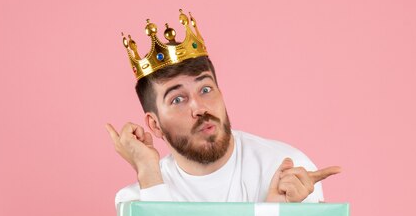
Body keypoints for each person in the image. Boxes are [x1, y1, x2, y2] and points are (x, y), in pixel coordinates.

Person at [106, 11, 341, 205]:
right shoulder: (140, 198)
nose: (199, 107)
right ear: (155, 125)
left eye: (206, 89)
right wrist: (148, 172)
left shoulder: (287, 170)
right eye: (178, 99)